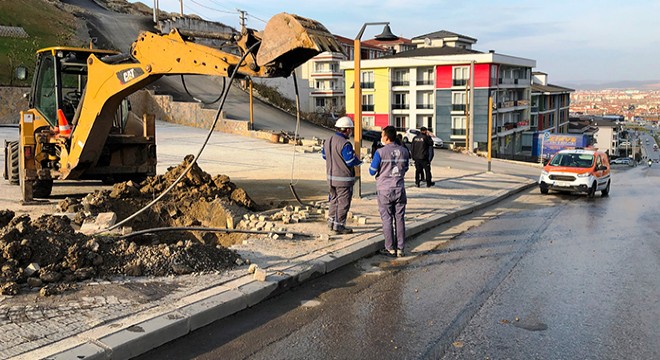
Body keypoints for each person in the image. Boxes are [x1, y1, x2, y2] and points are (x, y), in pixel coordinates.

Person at [369, 126, 409, 257]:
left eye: (382, 135)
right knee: (400, 218)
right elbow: (406, 168)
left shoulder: (380, 152)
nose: (381, 137)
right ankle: (401, 248)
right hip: (399, 188)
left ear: (386, 137)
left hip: (384, 190)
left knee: (387, 219)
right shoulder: (404, 151)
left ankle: (390, 248)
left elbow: (372, 171)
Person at [322, 116, 362, 235]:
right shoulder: (345, 144)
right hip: (343, 179)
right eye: (350, 129)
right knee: (343, 203)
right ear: (347, 130)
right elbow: (349, 161)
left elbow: (324, 156)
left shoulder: (328, 140)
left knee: (334, 200)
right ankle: (339, 226)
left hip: (330, 178)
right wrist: (359, 161)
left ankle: (331, 222)